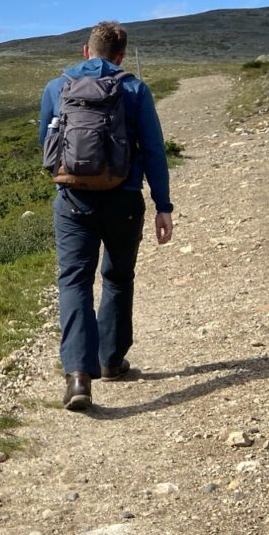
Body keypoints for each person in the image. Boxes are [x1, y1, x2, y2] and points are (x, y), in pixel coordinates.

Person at [37, 20, 174, 412]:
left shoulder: (55, 86)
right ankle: (111, 361)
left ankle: (78, 376)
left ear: (86, 50)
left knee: (74, 281)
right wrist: (163, 205)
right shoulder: (133, 88)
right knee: (116, 277)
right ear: (120, 56)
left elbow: (45, 142)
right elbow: (153, 150)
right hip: (124, 199)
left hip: (72, 201)